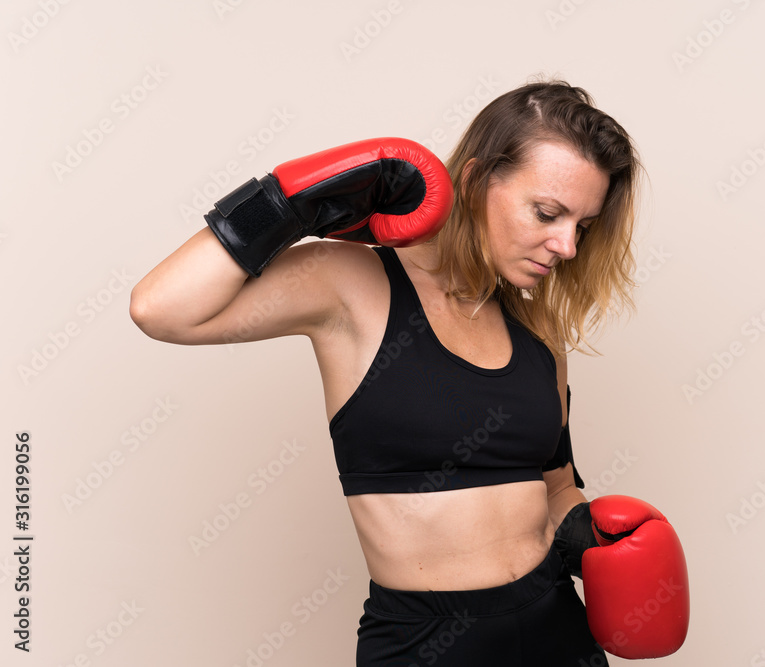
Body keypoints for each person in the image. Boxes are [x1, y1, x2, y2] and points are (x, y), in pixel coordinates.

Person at [130, 79, 688, 666]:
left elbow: (555, 482)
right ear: (474, 182)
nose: (568, 245)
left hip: (557, 629)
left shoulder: (539, 329)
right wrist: (287, 204)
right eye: (548, 213)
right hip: (426, 644)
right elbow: (160, 309)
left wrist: (587, 535)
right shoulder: (351, 284)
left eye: (583, 224)